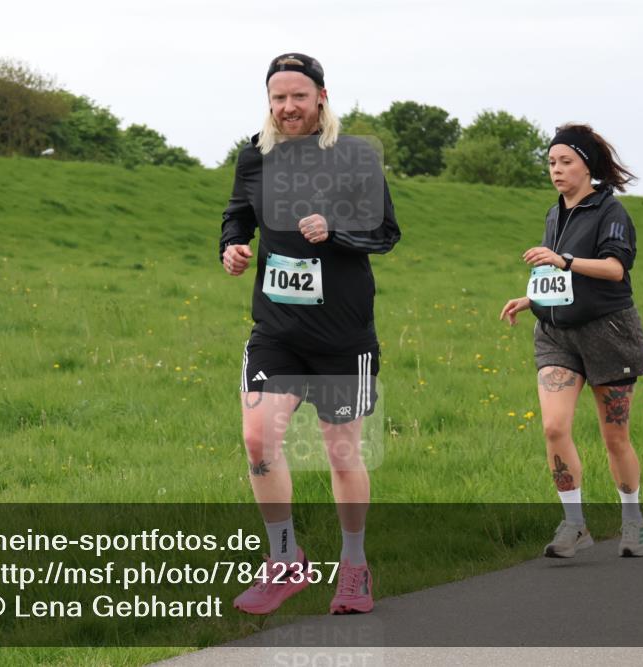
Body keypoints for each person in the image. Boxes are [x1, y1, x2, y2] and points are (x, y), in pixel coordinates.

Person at [219, 53, 401, 614]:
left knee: (341, 452)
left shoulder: (353, 157)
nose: (288, 107)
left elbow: (386, 233)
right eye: (278, 98)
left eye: (298, 96)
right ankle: (284, 561)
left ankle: (354, 567)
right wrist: (231, 245)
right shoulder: (256, 154)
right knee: (257, 440)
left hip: (342, 337)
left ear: (321, 95)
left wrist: (336, 231)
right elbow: (236, 212)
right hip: (277, 329)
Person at [499, 123, 643, 558]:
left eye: (566, 161)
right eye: (551, 162)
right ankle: (575, 524)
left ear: (588, 165)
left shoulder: (611, 212)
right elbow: (556, 276)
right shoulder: (555, 213)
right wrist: (529, 299)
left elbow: (614, 269)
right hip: (556, 334)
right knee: (553, 427)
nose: (557, 170)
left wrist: (564, 259)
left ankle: (633, 521)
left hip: (609, 332)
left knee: (614, 437)